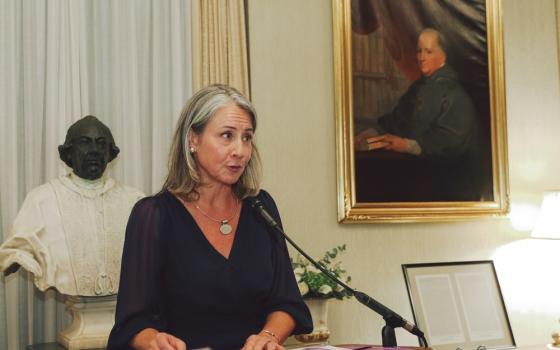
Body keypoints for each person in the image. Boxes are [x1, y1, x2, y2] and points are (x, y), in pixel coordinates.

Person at [107, 84, 312, 350]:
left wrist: (268, 337)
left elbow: (286, 302)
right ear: (193, 139)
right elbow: (132, 323)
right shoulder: (153, 216)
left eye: (247, 138)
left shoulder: (261, 208)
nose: (240, 150)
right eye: (227, 135)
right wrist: (153, 340)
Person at [0, 116, 144, 296]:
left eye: (101, 144)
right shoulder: (43, 199)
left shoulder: (134, 200)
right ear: (69, 152)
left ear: (110, 153)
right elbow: (15, 251)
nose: (94, 151)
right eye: (85, 143)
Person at [355, 28, 478, 160]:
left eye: (428, 52)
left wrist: (407, 146)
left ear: (444, 55)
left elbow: (450, 141)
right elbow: (397, 120)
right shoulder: (418, 87)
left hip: (439, 170)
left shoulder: (455, 94)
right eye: (419, 51)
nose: (421, 58)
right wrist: (373, 133)